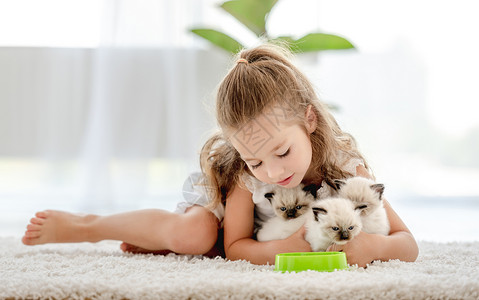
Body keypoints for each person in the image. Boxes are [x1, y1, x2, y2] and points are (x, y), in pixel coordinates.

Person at [22, 44, 419, 267]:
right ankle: (89, 225)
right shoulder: (243, 173)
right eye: (256, 160)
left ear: (309, 120)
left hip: (265, 226)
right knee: (196, 237)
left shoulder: (345, 168)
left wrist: (375, 247)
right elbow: (238, 247)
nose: (272, 170)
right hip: (225, 211)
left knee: (203, 247)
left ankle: (155, 242)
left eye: (282, 152)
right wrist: (288, 247)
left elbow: (407, 242)